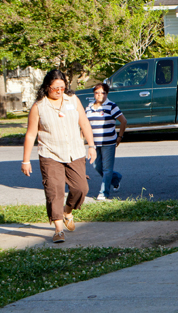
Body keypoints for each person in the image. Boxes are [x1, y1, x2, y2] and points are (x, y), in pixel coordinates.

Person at [21, 70, 97, 243]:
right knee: (54, 191)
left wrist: (91, 146)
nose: (59, 91)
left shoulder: (73, 100)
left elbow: (84, 122)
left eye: (62, 87)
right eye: (56, 88)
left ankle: (67, 211)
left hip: (75, 152)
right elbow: (31, 135)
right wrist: (26, 160)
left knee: (81, 188)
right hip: (50, 153)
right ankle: (58, 229)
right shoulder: (39, 106)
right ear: (47, 87)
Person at [85, 82, 127, 201]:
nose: (99, 95)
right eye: (97, 92)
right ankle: (116, 178)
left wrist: (120, 137)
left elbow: (123, 121)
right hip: (94, 144)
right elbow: (84, 124)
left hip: (109, 142)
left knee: (107, 168)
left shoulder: (111, 106)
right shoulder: (89, 107)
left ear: (107, 94)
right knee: (96, 166)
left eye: (103, 93)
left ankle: (104, 192)